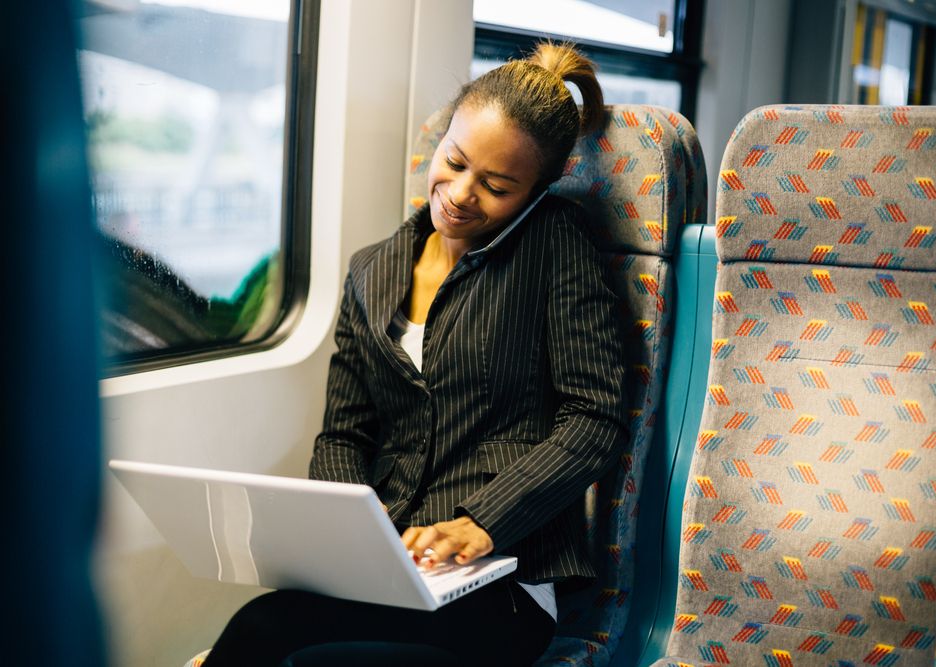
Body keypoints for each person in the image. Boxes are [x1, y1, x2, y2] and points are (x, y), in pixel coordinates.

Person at [201, 42, 627, 667]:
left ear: (541, 186)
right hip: (390, 567)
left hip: (501, 581)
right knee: (258, 627)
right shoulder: (371, 272)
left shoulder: (555, 246)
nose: (459, 194)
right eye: (453, 162)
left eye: (497, 185)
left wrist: (482, 521)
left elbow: (594, 419)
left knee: (307, 657)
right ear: (445, 136)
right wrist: (351, 541)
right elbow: (345, 434)